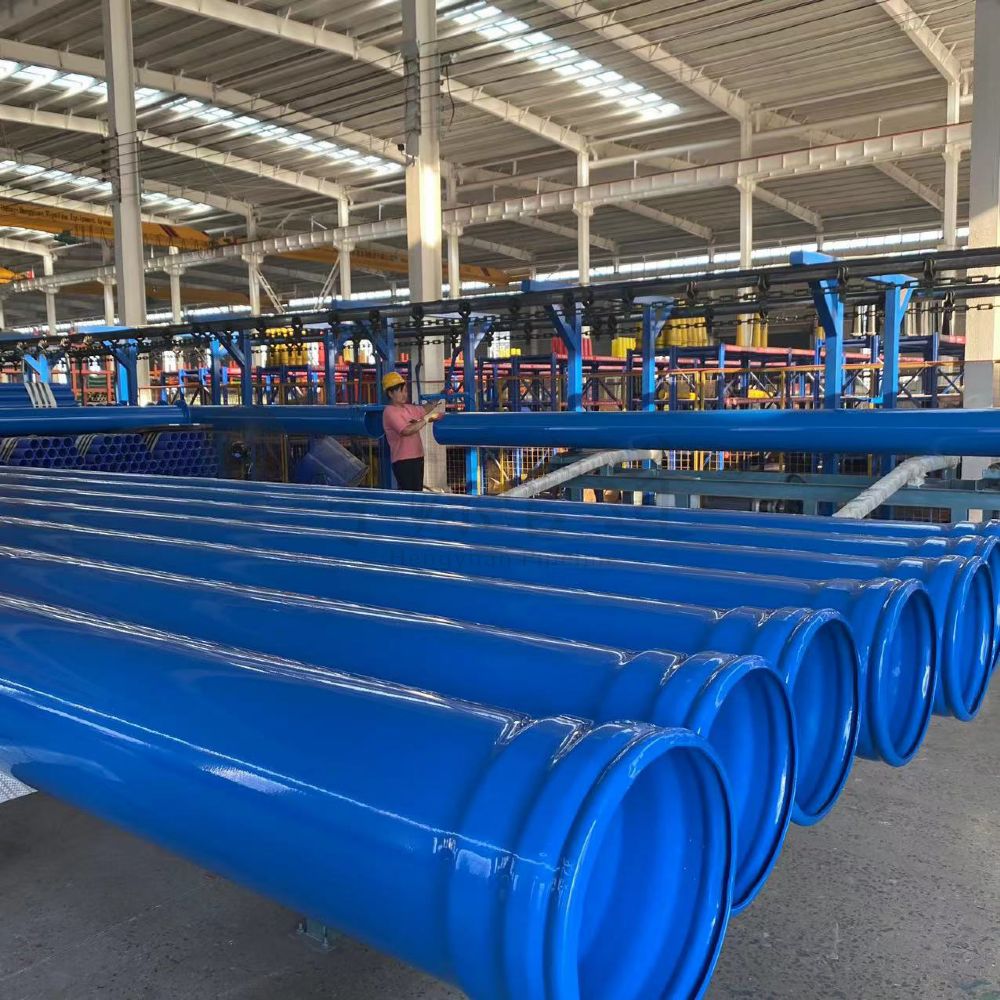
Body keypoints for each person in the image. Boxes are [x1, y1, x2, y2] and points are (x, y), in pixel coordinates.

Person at [381, 371, 444, 491]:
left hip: (418, 457)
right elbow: (406, 430)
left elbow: (425, 409)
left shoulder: (408, 408)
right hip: (403, 461)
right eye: (400, 391)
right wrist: (427, 419)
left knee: (417, 492)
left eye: (405, 391)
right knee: (410, 494)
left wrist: (440, 396)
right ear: (390, 393)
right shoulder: (390, 412)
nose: (404, 394)